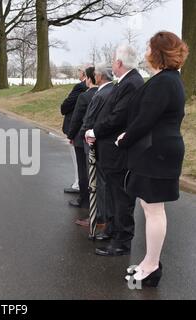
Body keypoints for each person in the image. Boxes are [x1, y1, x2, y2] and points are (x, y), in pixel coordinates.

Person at [117, 31, 189, 287]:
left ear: (157, 53)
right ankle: (149, 262)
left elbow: (145, 119)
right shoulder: (169, 79)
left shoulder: (164, 82)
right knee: (151, 208)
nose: (146, 52)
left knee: (154, 209)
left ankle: (152, 266)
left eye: (149, 48)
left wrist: (124, 139)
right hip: (157, 150)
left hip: (156, 152)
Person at [87, 45, 145, 256]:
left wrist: (95, 130)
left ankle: (122, 240)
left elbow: (117, 117)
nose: (112, 64)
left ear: (120, 63)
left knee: (121, 197)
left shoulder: (132, 83)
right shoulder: (128, 81)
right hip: (110, 149)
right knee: (113, 194)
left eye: (113, 60)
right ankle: (113, 229)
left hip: (117, 151)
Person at [76, 65, 114, 230]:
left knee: (97, 182)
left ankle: (98, 217)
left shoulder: (100, 94)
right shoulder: (113, 90)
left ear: (100, 76)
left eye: (96, 74)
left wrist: (84, 133)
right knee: (104, 182)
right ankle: (104, 215)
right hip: (107, 143)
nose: (94, 76)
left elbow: (89, 118)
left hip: (95, 142)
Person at [67, 67, 99, 209]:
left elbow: (77, 118)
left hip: (82, 138)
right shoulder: (103, 93)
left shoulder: (84, 96)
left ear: (89, 78)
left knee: (83, 170)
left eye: (85, 77)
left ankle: (84, 199)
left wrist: (71, 135)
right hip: (98, 136)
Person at [61, 68, 87, 194]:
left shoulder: (80, 87)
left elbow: (68, 103)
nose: (78, 74)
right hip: (86, 129)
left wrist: (63, 108)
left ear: (84, 73)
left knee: (77, 159)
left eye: (80, 71)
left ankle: (78, 184)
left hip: (76, 128)